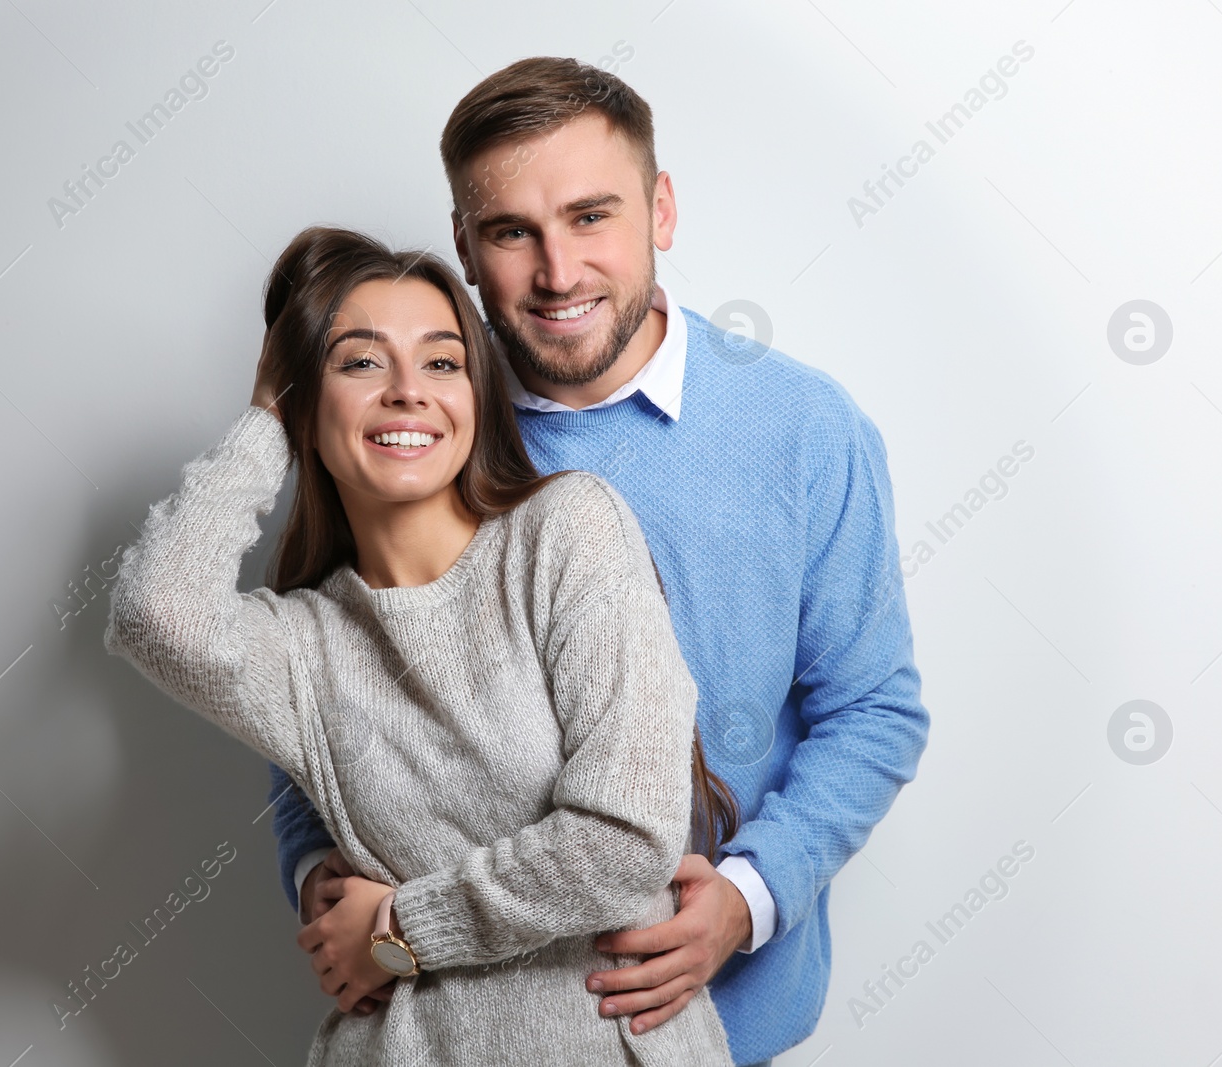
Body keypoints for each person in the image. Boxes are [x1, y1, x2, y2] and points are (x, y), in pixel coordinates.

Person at [274, 57, 931, 1067]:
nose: (558, 271)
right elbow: (309, 671)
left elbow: (872, 705)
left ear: (661, 209)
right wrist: (316, 867)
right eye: (510, 232)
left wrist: (748, 899)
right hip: (454, 1023)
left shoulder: (804, 428)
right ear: (464, 244)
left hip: (720, 1020)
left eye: (592, 217)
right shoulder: (414, 430)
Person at [104, 225, 739, 1065]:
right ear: (306, 396)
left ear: (476, 393)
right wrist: (265, 420)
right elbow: (157, 613)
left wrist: (400, 929)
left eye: (442, 362)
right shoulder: (303, 641)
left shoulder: (566, 530)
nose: (409, 390)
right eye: (361, 361)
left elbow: (624, 843)